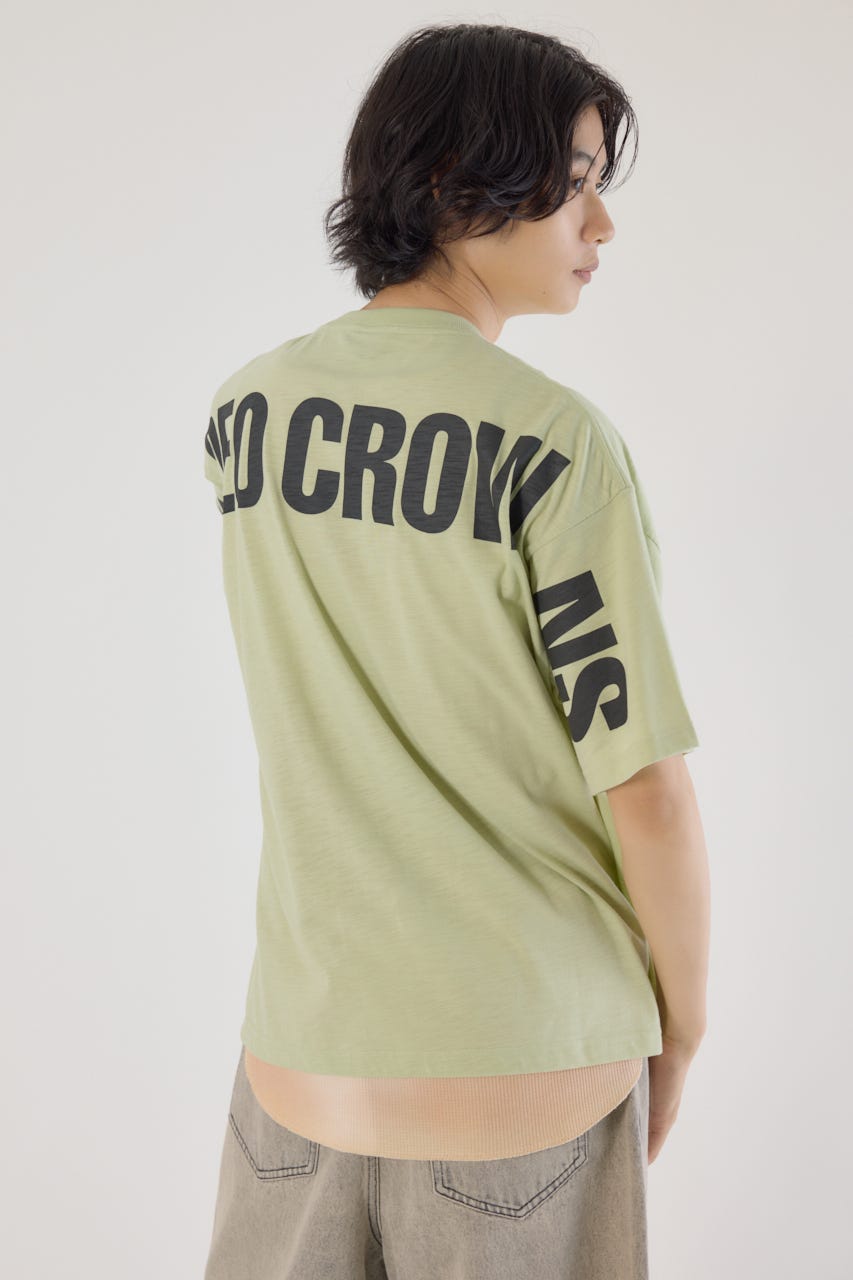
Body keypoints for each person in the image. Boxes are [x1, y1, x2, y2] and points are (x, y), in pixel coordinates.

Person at [202, 20, 711, 1280]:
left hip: (301, 1055)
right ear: (450, 182)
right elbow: (643, 784)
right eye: (575, 183)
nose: (601, 225)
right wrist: (685, 1023)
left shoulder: (245, 413)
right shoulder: (555, 444)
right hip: (527, 1061)